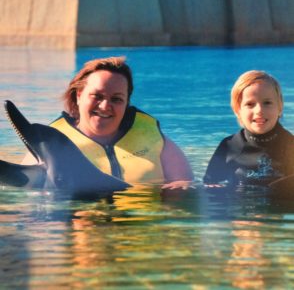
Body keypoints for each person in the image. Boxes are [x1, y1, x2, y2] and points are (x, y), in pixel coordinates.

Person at [22, 56, 194, 189]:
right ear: (79, 95)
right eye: (97, 96)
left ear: (127, 103)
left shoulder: (152, 138)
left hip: (142, 228)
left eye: (116, 99)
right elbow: (19, 197)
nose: (105, 106)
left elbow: (187, 184)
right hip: (80, 227)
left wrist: (182, 188)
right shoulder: (51, 144)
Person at [203, 70, 294, 187]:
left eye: (267, 102)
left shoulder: (291, 147)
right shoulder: (230, 146)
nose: (259, 110)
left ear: (280, 107)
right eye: (250, 104)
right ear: (237, 110)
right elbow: (210, 185)